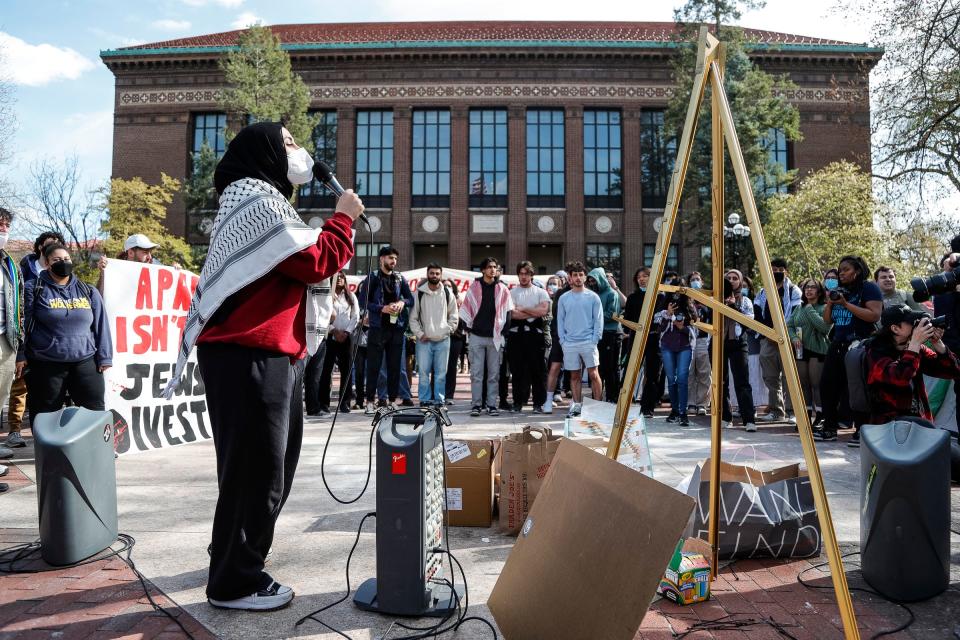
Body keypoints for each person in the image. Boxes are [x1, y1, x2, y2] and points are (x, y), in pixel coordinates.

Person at [163, 122, 360, 611]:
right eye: (289, 142)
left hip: (263, 354)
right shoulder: (256, 200)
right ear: (265, 152)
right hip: (248, 354)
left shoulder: (261, 200)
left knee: (264, 468)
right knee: (258, 470)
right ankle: (235, 581)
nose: (300, 151)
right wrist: (343, 218)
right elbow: (317, 260)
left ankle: (235, 556)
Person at [18, 242, 111, 414]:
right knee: (45, 416)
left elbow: (101, 324)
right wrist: (21, 353)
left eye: (66, 258)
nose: (63, 262)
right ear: (47, 263)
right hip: (46, 364)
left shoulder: (87, 290)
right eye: (57, 259)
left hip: (85, 362)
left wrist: (105, 357)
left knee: (95, 414)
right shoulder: (33, 288)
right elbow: (23, 322)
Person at [815, 255, 883, 445]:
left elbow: (874, 315)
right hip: (837, 343)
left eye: (845, 269)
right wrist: (830, 302)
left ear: (858, 271)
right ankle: (829, 428)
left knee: (857, 389)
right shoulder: (838, 290)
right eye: (840, 270)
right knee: (827, 386)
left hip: (860, 344)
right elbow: (828, 321)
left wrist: (846, 304)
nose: (841, 273)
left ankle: (862, 431)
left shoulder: (869, 288)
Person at [7, 231, 63, 451]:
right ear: (39, 247)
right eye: (49, 245)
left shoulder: (61, 269)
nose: (53, 249)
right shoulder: (22, 270)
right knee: (19, 385)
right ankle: (14, 430)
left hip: (49, 339)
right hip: (26, 333)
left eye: (57, 246)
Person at [864, 305, 960, 424]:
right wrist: (915, 343)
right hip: (888, 425)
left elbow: (954, 371)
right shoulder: (876, 351)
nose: (917, 326)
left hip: (917, 422)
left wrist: (938, 344)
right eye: (912, 322)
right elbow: (900, 377)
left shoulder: (914, 348)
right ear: (895, 329)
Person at [360, 246, 414, 415]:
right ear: (382, 259)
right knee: (374, 367)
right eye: (391, 258)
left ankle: (391, 401)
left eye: (395, 259)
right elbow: (363, 302)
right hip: (377, 328)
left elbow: (410, 298)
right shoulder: (373, 277)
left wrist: (402, 303)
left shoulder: (399, 278)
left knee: (394, 367)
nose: (394, 262)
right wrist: (380, 308)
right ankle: (370, 401)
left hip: (396, 328)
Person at [460, 257, 513, 417]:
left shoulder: (502, 288)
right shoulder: (474, 287)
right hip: (476, 336)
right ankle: (476, 405)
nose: (492, 270)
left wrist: (504, 331)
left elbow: (508, 310)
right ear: (483, 269)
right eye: (489, 267)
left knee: (494, 374)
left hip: (495, 337)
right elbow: (466, 307)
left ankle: (491, 405)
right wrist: (467, 328)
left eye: (495, 267)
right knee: (476, 374)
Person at [754, 258, 802, 422]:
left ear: (786, 271)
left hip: (788, 338)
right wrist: (769, 333)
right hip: (768, 339)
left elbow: (796, 313)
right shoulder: (763, 292)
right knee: (770, 377)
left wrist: (782, 333)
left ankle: (793, 412)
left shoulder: (794, 290)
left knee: (790, 377)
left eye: (780, 269)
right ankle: (776, 411)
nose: (776, 272)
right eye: (773, 269)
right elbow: (758, 314)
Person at [557, 261, 603, 418]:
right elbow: (560, 321)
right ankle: (576, 406)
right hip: (570, 343)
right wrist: (563, 341)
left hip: (588, 342)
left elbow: (598, 320)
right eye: (575, 275)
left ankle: (597, 407)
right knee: (574, 376)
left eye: (581, 275)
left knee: (594, 374)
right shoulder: (563, 298)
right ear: (570, 277)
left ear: (585, 277)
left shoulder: (593, 297)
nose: (578, 278)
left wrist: (594, 339)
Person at [410, 264, 458, 406]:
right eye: (432, 273)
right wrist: (419, 334)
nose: (435, 276)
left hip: (443, 340)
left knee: (441, 375)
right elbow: (413, 318)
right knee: (423, 374)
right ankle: (424, 400)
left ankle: (439, 400)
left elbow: (454, 316)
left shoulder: (448, 293)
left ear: (441, 275)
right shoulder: (419, 293)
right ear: (427, 274)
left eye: (437, 273)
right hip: (424, 341)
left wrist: (448, 330)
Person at [507, 261, 551, 413]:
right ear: (518, 275)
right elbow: (513, 313)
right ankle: (518, 402)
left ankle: (538, 403)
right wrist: (533, 311)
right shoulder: (511, 293)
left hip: (535, 336)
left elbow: (543, 311)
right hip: (516, 336)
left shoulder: (541, 292)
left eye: (527, 273)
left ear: (532, 275)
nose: (524, 276)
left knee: (538, 371)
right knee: (517, 371)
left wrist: (524, 309)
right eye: (521, 273)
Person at [313, 271, 359, 416]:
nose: (339, 279)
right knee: (326, 370)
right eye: (337, 277)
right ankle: (324, 403)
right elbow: (322, 315)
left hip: (346, 337)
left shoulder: (351, 296)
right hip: (331, 336)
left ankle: (344, 403)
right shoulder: (327, 296)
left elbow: (356, 316)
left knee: (347, 371)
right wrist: (333, 330)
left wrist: (346, 332)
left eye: (342, 277)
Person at [787, 278, 831, 426]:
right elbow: (789, 326)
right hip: (800, 350)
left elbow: (824, 328)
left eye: (812, 287)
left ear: (819, 291)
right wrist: (793, 338)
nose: (809, 290)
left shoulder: (824, 307)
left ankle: (820, 416)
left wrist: (809, 309)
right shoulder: (799, 308)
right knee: (804, 384)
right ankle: (805, 416)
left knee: (816, 384)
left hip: (818, 350)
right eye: (806, 287)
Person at [623, 267, 666, 417]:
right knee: (631, 371)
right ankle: (624, 405)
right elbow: (626, 320)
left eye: (645, 276)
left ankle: (647, 407)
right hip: (636, 336)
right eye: (639, 277)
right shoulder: (632, 297)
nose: (641, 279)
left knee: (653, 374)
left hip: (654, 337)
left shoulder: (660, 297)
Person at [721, 269, 757, 432]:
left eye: (735, 278)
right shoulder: (716, 298)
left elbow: (748, 323)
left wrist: (733, 305)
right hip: (719, 342)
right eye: (728, 278)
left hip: (738, 342)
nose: (732, 281)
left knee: (742, 381)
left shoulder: (745, 301)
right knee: (721, 382)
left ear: (741, 282)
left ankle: (748, 419)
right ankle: (725, 417)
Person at [0, 209, 23, 459]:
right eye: (0, 224)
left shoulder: (10, 264)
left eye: (7, 225)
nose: (4, 229)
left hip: (6, 340)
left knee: (1, 396)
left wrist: (19, 348)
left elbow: (19, 308)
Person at [658, 289, 697, 426]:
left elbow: (696, 329)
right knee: (671, 380)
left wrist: (682, 327)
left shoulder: (690, 307)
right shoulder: (663, 307)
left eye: (679, 292)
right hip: (667, 346)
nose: (676, 295)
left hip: (685, 346)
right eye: (673, 292)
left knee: (682, 378)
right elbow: (658, 327)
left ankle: (683, 412)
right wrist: (668, 314)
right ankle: (675, 411)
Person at [586, 267, 623, 402]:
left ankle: (613, 397)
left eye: (594, 280)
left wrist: (593, 318)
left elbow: (612, 314)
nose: (591, 283)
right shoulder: (592, 294)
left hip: (611, 333)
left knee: (611, 368)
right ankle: (598, 397)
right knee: (598, 368)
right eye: (589, 281)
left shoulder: (611, 293)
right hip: (598, 334)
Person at [544, 265, 573, 414]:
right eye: (570, 275)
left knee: (576, 371)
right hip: (560, 338)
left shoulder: (588, 294)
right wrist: (559, 336)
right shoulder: (561, 294)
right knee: (554, 367)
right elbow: (557, 317)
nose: (573, 278)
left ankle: (576, 402)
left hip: (578, 339)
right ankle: (549, 399)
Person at [685, 271, 712, 416]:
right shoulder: (686, 300)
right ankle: (690, 402)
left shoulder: (708, 299)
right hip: (688, 339)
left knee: (704, 372)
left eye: (697, 280)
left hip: (703, 339)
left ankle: (702, 404)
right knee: (689, 373)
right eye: (692, 280)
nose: (695, 282)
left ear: (702, 283)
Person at [442, 278, 466, 405]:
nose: (447, 288)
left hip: (455, 338)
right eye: (444, 285)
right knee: (439, 368)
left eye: (449, 286)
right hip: (440, 337)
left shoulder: (460, 302)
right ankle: (437, 395)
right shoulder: (437, 299)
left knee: (451, 367)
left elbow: (464, 321)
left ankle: (449, 395)